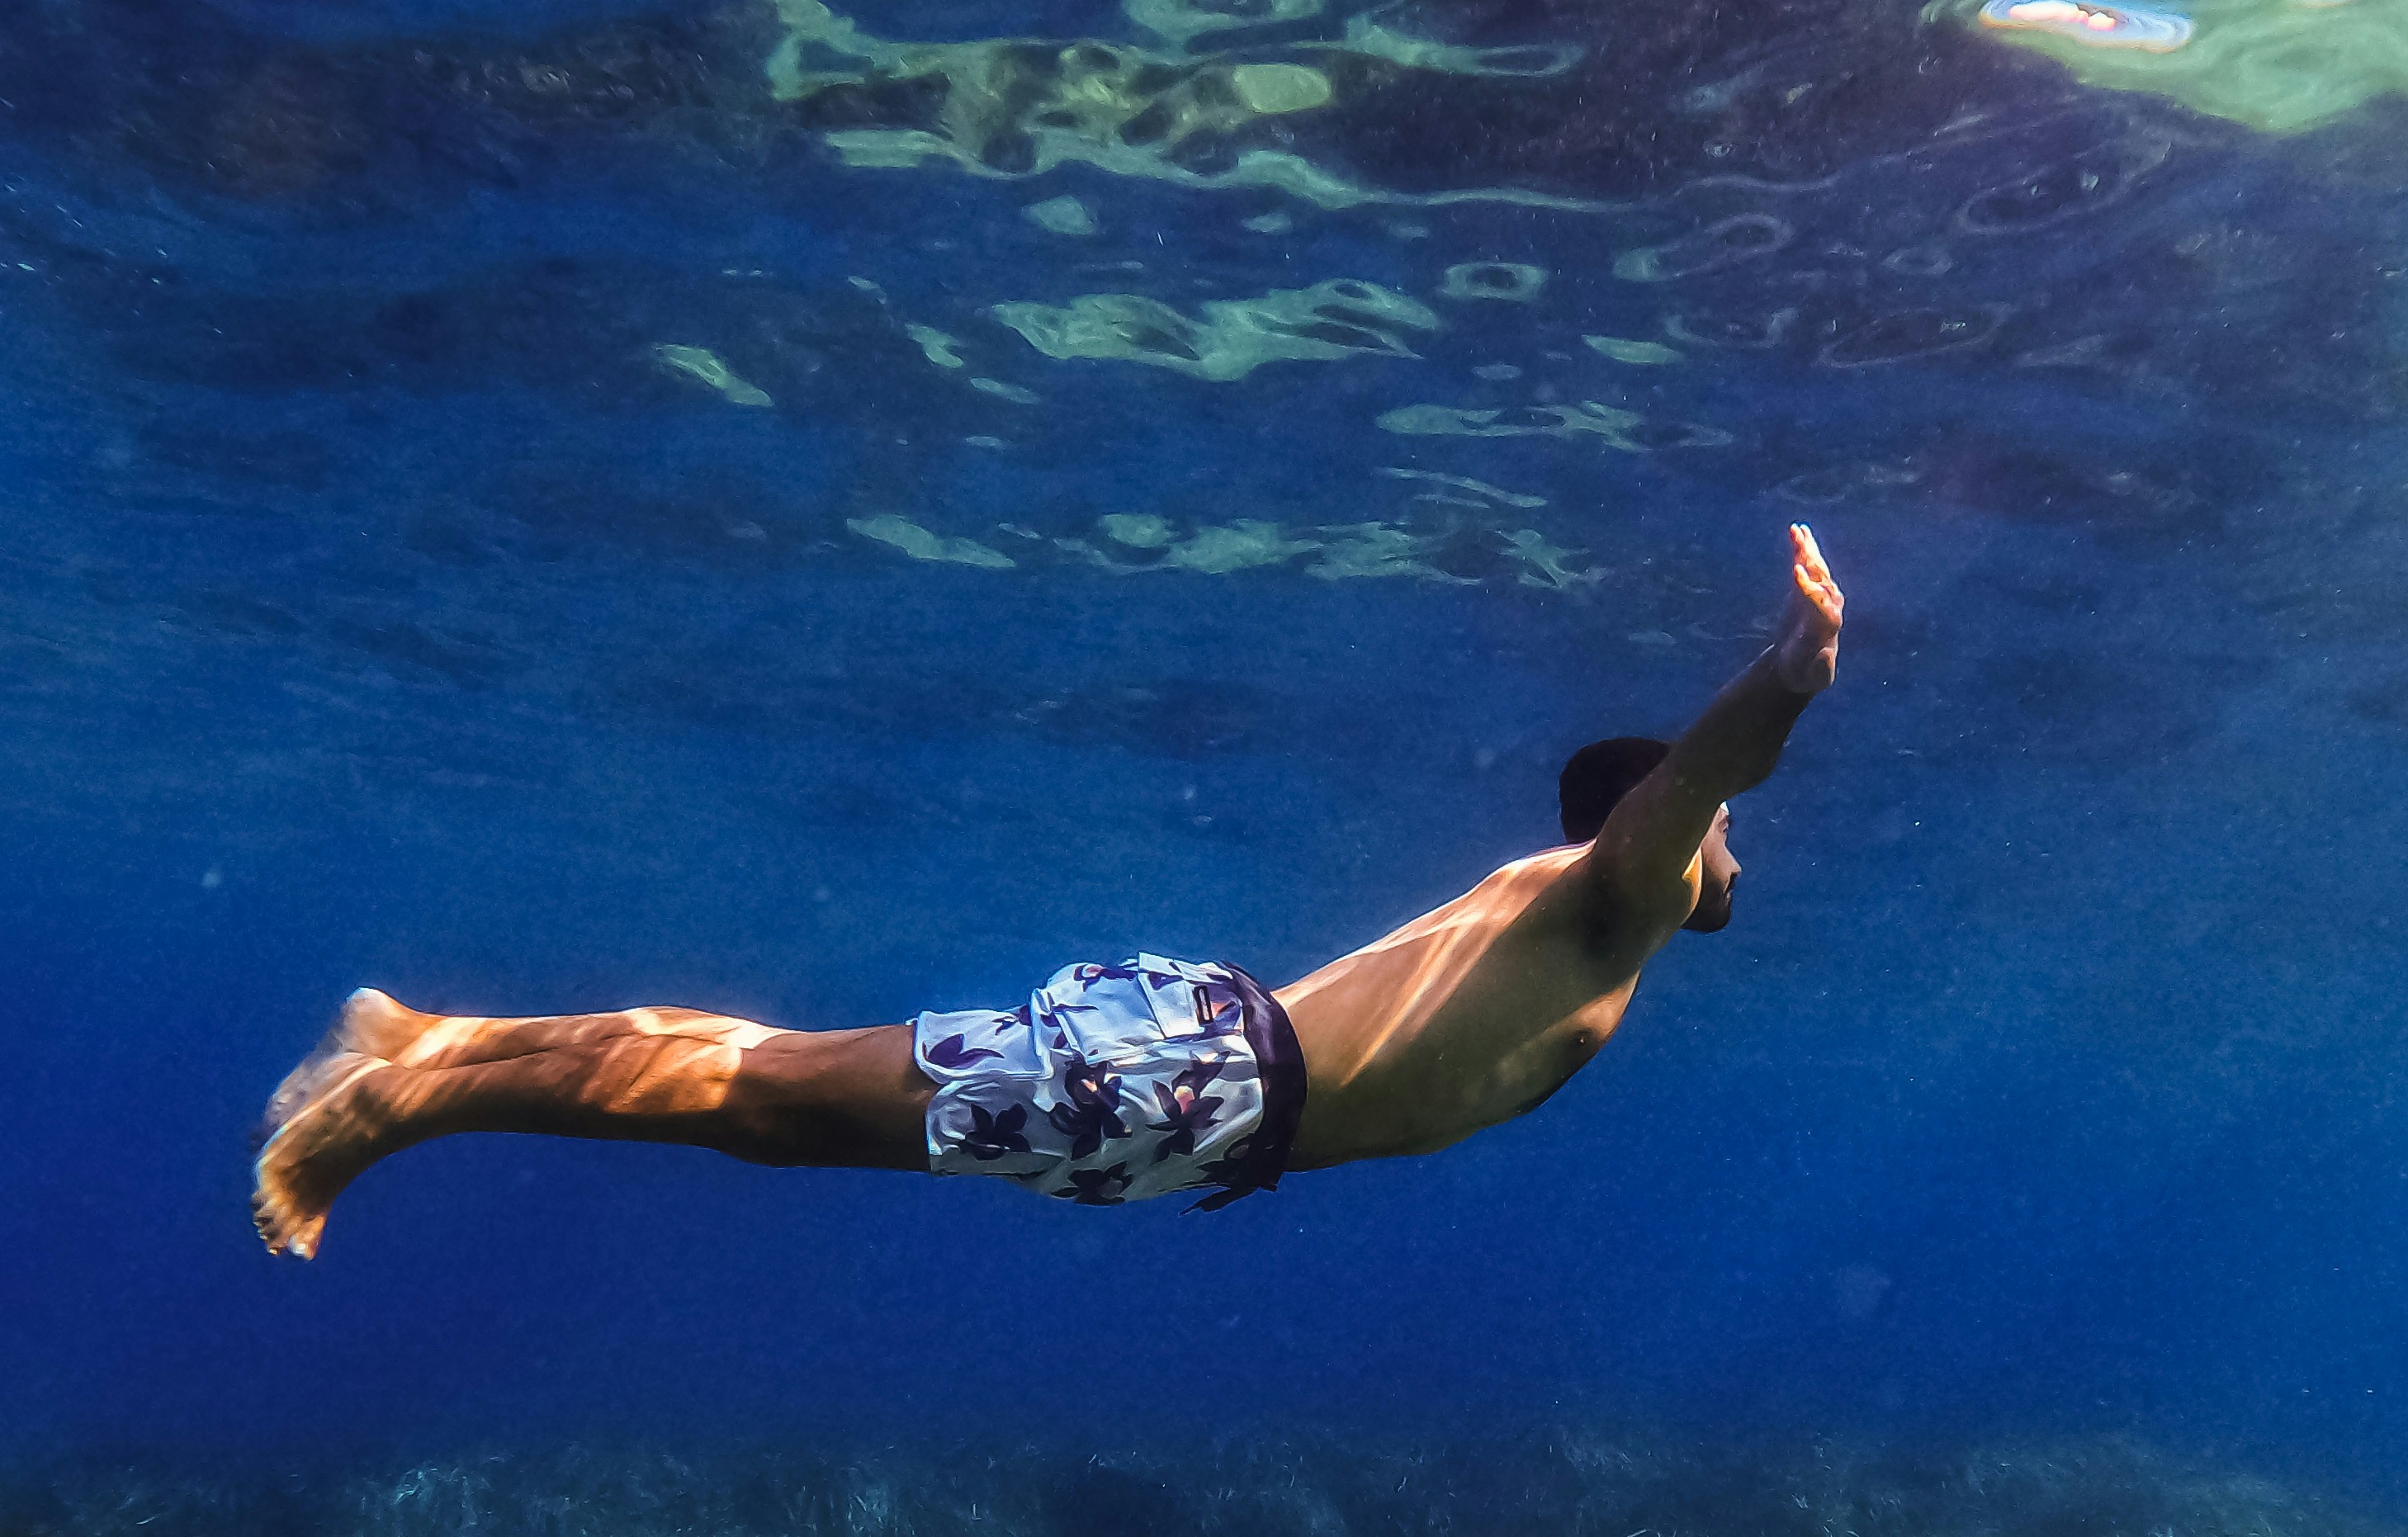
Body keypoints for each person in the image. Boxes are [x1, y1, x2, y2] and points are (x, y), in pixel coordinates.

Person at [250, 523, 1845, 1258]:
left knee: (773, 1083)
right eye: (1724, 834)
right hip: (1200, 1081)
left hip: (1200, 1091)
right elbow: (1694, 784)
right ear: (1670, 828)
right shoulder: (1617, 896)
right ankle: (393, 1107)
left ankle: (433, 1042)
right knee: (767, 1101)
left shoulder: (1573, 911)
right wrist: (1787, 679)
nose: (1736, 859)